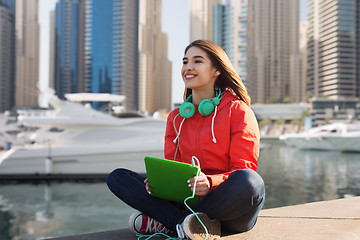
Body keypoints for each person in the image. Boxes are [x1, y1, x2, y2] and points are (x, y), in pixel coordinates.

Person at [106, 39, 265, 240]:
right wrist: (158, 184)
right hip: (188, 199)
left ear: (216, 70)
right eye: (185, 62)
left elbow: (244, 167)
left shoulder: (238, 110)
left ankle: (171, 222)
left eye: (197, 61)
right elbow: (174, 168)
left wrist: (209, 182)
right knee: (118, 177)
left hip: (229, 207)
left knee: (251, 181)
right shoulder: (176, 118)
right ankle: (183, 224)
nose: (188, 67)